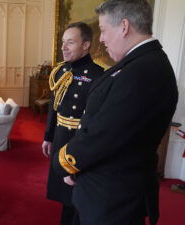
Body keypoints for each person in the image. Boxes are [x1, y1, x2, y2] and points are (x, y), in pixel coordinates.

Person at [51, 1, 178, 225]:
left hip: (112, 198)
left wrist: (65, 163)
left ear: (124, 26)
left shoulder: (142, 72)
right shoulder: (141, 63)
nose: (101, 38)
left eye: (104, 29)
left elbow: (104, 134)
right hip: (106, 190)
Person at [42, 22, 104, 225]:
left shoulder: (98, 75)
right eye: (63, 43)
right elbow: (54, 105)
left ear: (86, 45)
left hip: (80, 142)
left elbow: (96, 121)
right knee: (64, 192)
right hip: (61, 138)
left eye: (70, 42)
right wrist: (48, 136)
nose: (63, 48)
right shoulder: (60, 71)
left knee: (79, 194)